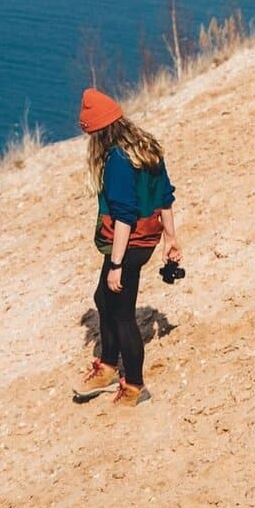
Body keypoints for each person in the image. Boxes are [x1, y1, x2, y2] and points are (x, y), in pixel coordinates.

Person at [75, 88, 181, 407]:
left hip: (129, 243)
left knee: (122, 313)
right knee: (103, 299)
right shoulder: (144, 145)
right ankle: (108, 366)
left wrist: (117, 264)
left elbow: (123, 216)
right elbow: (165, 196)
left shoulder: (118, 159)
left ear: (99, 131)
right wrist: (171, 239)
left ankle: (134, 385)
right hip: (147, 238)